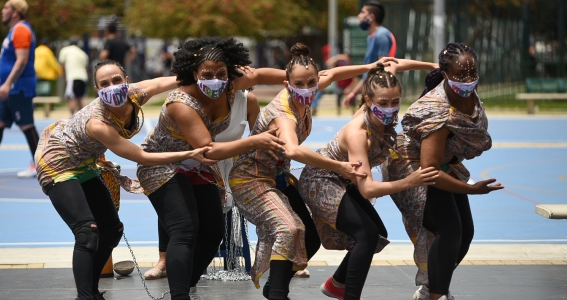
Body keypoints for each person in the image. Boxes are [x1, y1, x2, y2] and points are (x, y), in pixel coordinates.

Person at [34, 60, 216, 300]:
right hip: (57, 162)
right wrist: (189, 154)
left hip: (85, 160)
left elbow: (161, 82)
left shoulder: (134, 94)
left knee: (111, 230)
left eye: (116, 80)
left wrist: (197, 78)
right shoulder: (97, 123)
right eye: (104, 84)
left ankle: (90, 290)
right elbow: (141, 156)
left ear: (127, 80)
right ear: (98, 90)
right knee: (87, 232)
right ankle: (85, 296)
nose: (112, 87)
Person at [229, 43, 396, 300]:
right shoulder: (284, 114)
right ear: (287, 84)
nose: (306, 89)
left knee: (311, 239)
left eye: (311, 82)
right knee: (291, 228)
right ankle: (278, 293)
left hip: (278, 177)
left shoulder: (309, 88)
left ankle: (275, 284)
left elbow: (334, 74)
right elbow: (293, 151)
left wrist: (369, 67)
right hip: (251, 179)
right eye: (299, 83)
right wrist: (339, 166)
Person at [136, 36, 289, 300]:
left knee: (213, 231)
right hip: (163, 162)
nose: (215, 79)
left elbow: (263, 74)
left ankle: (185, 281)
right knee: (185, 228)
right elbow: (208, 150)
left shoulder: (231, 86)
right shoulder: (181, 103)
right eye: (207, 74)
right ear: (194, 74)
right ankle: (179, 294)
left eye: (221, 73)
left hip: (198, 165)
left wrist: (300, 76)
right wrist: (255, 140)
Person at [299, 60, 439, 300]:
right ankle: (350, 295)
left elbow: (393, 64)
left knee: (377, 234)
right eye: (382, 103)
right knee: (365, 235)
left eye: (395, 102)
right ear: (367, 100)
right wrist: (409, 181)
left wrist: (432, 65)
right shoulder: (359, 134)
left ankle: (337, 284)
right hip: (320, 178)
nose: (390, 108)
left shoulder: (383, 86)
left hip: (344, 179)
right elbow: (368, 189)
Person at [381, 43, 504, 300]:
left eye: (472, 74)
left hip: (443, 163)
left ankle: (430, 287)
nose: (468, 80)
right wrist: (471, 189)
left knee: (465, 232)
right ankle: (436, 294)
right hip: (411, 166)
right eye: (461, 75)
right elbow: (430, 172)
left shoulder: (466, 92)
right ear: (446, 74)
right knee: (448, 229)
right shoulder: (438, 114)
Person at [0, 0, 39, 178]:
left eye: (6, 8)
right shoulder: (14, 30)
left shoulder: (21, 29)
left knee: (27, 125)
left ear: (15, 12)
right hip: (8, 88)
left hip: (18, 87)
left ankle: (41, 165)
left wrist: (8, 83)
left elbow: (22, 60)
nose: (2, 11)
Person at [343, 0, 397, 108]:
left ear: (371, 17)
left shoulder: (381, 35)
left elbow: (383, 67)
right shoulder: (371, 37)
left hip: (377, 93)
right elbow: (369, 72)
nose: (359, 16)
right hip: (370, 91)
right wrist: (354, 92)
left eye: (362, 12)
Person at [59, 36, 89, 115]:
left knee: (71, 98)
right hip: (83, 77)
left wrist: (64, 79)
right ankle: (82, 117)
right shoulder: (83, 53)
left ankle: (72, 117)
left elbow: (62, 66)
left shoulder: (65, 50)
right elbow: (86, 68)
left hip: (72, 77)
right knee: (80, 99)